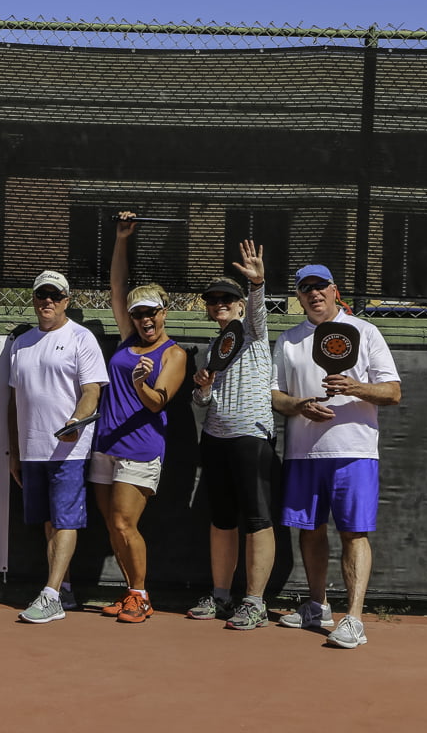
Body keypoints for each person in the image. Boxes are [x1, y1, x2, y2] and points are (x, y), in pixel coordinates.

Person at [271, 264, 401, 649]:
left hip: (354, 451)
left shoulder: (366, 332)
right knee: (310, 531)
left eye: (320, 286)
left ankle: (354, 620)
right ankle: (317, 605)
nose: (314, 294)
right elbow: (274, 395)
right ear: (298, 296)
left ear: (334, 290)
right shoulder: (289, 340)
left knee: (353, 532)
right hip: (302, 453)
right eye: (305, 288)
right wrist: (297, 405)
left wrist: (358, 388)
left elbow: (393, 392)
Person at [91, 212, 186, 623]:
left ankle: (141, 596)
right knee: (112, 528)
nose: (145, 320)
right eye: (138, 313)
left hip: (141, 450)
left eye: (152, 313)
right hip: (105, 446)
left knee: (124, 523)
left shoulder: (174, 354)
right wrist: (121, 238)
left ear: (165, 312)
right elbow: (116, 287)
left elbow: (156, 402)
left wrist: (141, 384)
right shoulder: (128, 339)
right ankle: (131, 591)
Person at [6, 270, 108, 623]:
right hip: (32, 450)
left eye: (54, 295)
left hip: (69, 450)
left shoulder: (82, 339)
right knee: (49, 522)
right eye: (41, 295)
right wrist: (15, 452)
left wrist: (75, 422)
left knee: (65, 520)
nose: (47, 301)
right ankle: (63, 589)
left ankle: (49, 595)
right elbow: (14, 401)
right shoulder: (21, 344)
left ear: (66, 301)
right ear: (34, 300)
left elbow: (92, 391)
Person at [187, 240, 278, 631]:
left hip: (251, 437)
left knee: (257, 518)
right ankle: (222, 596)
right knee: (222, 519)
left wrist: (257, 283)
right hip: (216, 438)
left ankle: (255, 603)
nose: (220, 303)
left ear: (240, 304)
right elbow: (204, 401)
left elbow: (257, 309)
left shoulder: (253, 330)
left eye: (227, 298)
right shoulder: (213, 345)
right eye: (213, 299)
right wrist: (203, 389)